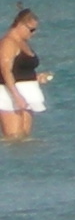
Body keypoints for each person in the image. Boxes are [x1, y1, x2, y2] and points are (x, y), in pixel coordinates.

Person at [0, 9, 42, 139]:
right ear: (20, 25)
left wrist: (36, 78)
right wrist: (17, 96)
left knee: (25, 138)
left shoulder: (23, 43)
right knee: (14, 137)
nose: (33, 33)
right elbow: (5, 70)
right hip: (10, 93)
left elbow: (21, 70)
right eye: (31, 30)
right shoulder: (8, 43)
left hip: (27, 93)